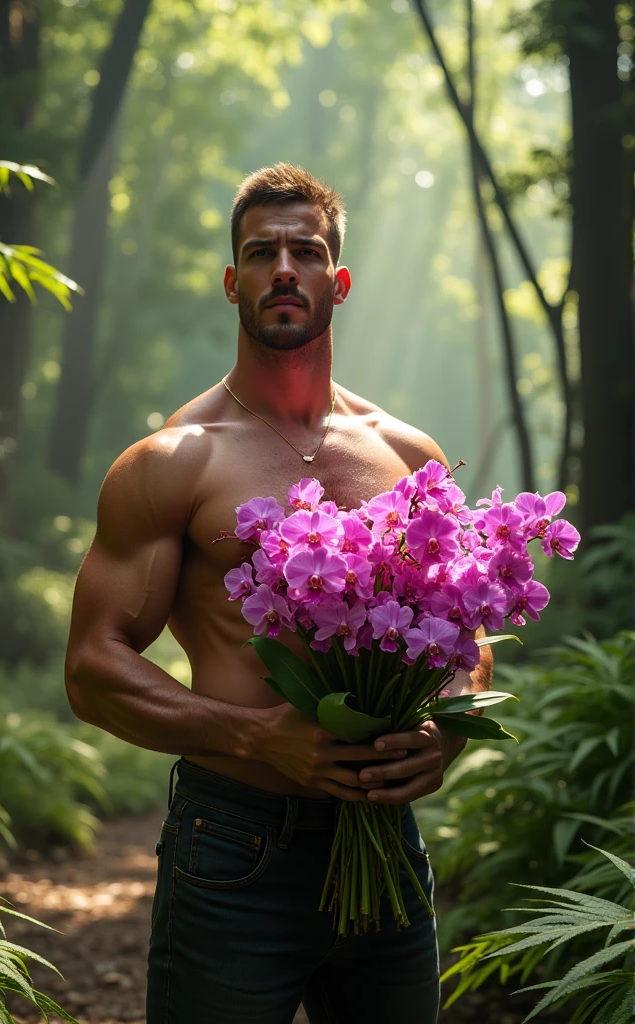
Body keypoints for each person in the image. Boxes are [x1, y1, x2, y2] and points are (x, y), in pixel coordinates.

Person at [65, 162, 493, 1024]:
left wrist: (443, 733)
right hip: (235, 847)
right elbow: (93, 669)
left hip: (384, 844)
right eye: (262, 253)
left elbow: (466, 643)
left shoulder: (410, 460)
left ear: (338, 281)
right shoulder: (175, 462)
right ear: (233, 283)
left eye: (305, 251)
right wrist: (259, 736)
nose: (284, 269)